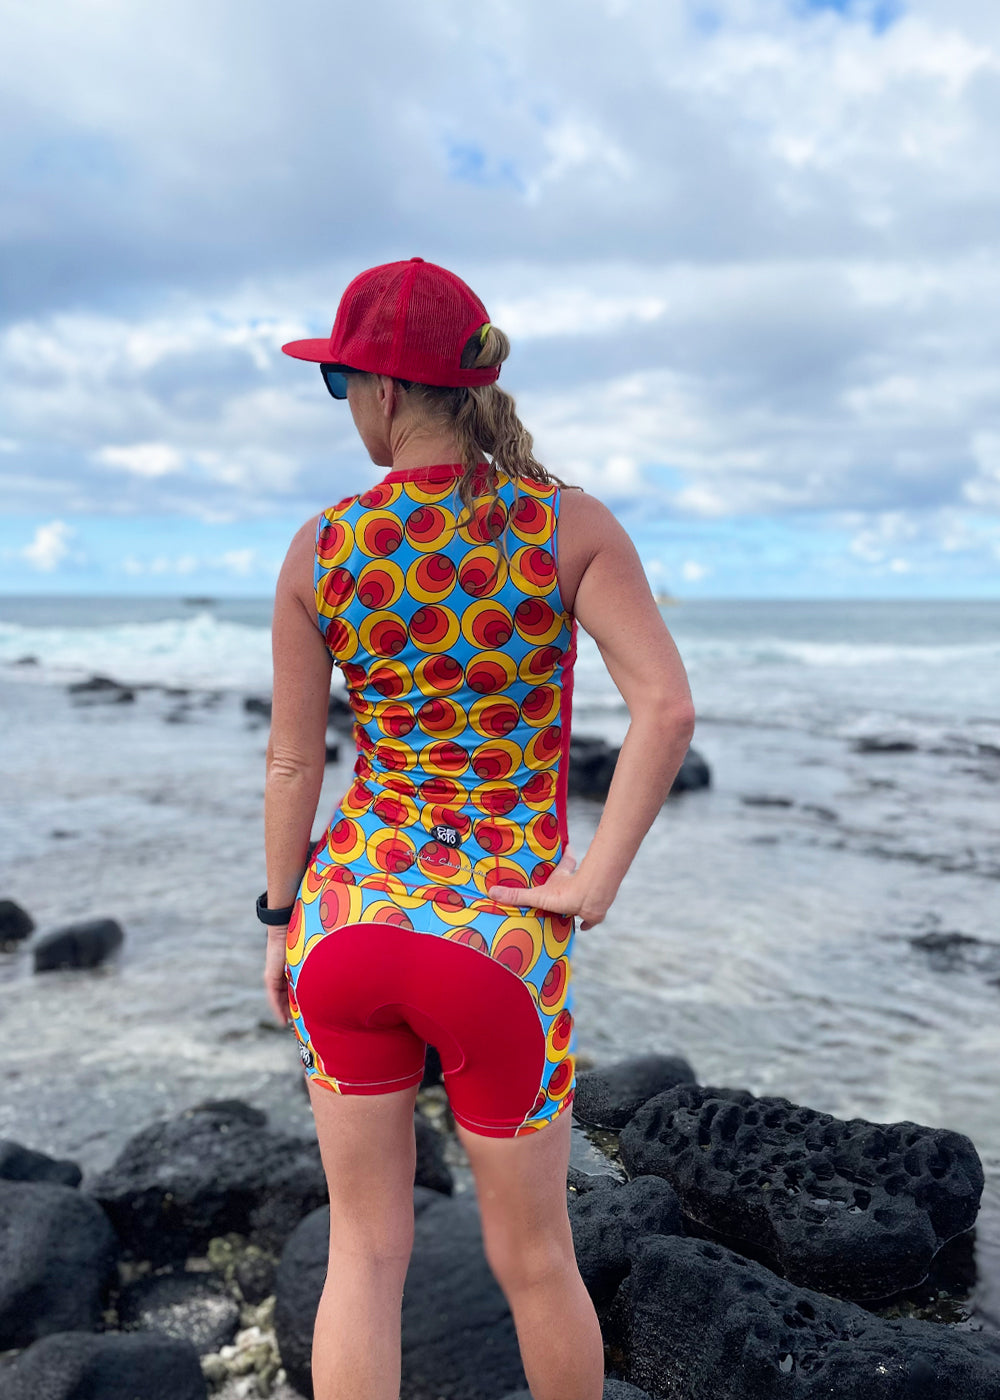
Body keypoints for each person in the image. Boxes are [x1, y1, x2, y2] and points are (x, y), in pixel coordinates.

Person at [261, 257, 695, 1400]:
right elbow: (665, 708)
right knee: (537, 1259)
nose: (346, 404)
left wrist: (278, 919)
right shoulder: (566, 525)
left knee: (363, 1254)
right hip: (496, 943)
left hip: (346, 925)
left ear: (383, 390)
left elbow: (295, 762)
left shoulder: (320, 548)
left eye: (340, 382)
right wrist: (592, 879)